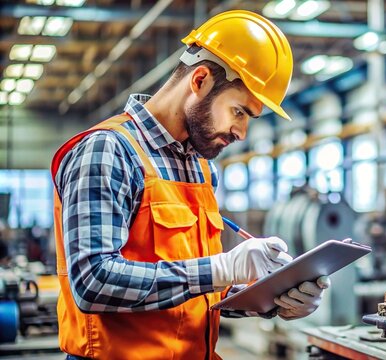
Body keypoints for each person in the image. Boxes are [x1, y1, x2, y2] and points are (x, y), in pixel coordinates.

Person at [51, 10, 329, 360]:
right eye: (239, 112)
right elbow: (93, 283)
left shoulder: (200, 168)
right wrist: (223, 267)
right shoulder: (108, 151)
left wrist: (272, 298)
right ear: (200, 81)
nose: (241, 133)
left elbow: (195, 290)